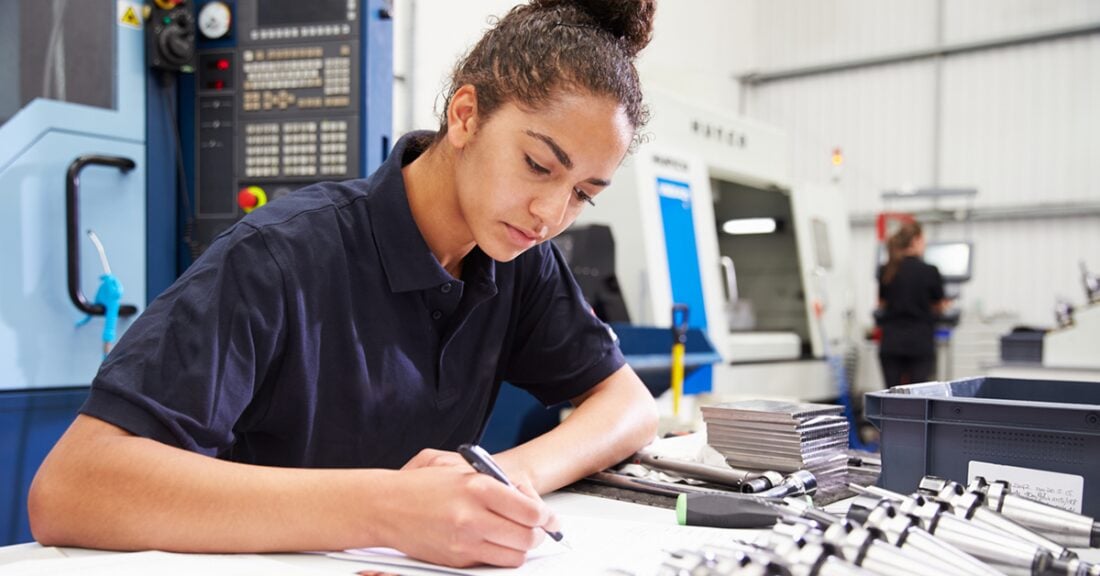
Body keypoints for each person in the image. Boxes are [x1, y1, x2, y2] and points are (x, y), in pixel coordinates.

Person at [28, 0, 659, 568]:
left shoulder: (518, 259)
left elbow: (627, 404)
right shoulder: (280, 256)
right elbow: (72, 487)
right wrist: (387, 507)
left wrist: (506, 475)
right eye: (537, 165)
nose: (549, 214)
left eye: (581, 194)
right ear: (465, 115)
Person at [876, 220, 949, 388]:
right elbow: (939, 305)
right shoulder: (930, 271)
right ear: (916, 240)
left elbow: (882, 304)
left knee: (891, 396)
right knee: (916, 398)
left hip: (891, 343)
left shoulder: (886, 269)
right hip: (919, 343)